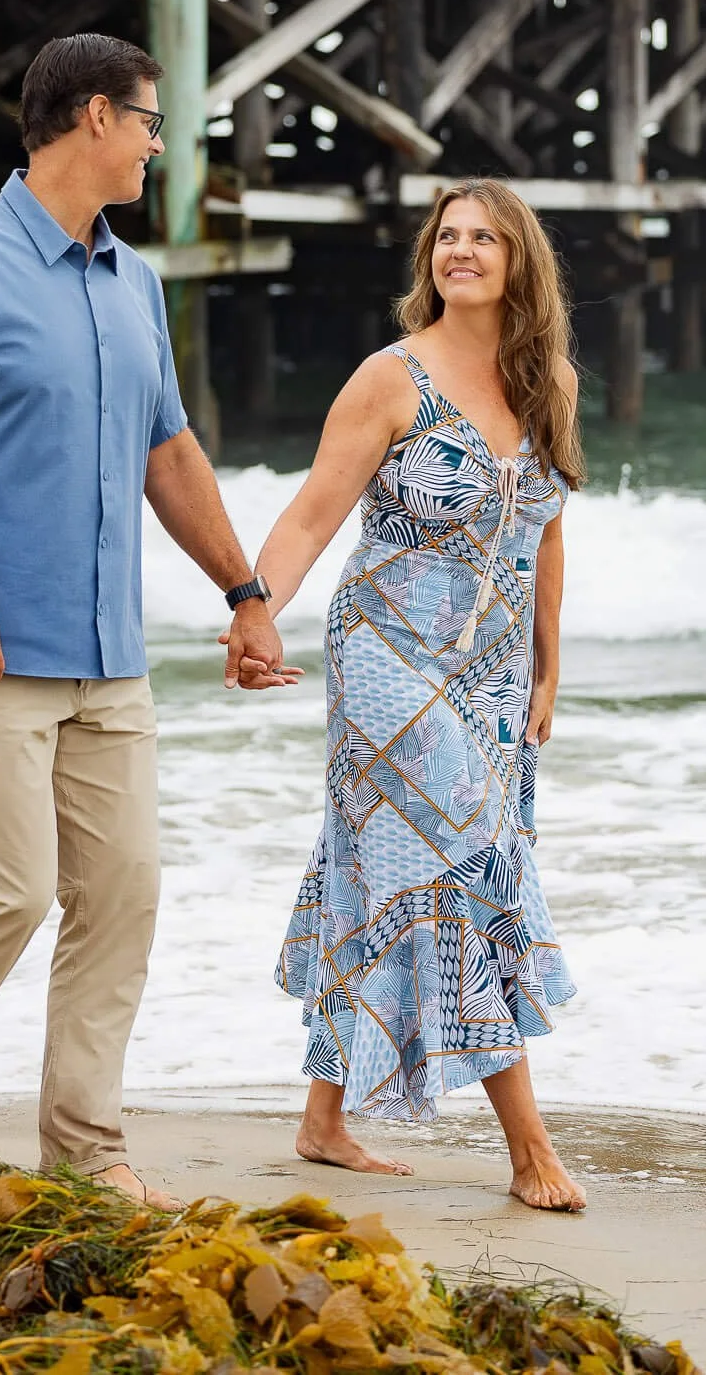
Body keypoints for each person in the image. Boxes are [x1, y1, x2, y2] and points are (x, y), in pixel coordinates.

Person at [0, 33, 287, 1209]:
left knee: (123, 893)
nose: (157, 143)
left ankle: (87, 1152)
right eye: (149, 121)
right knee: (5, 890)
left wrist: (242, 594)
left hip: (108, 655)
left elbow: (169, 452)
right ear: (94, 117)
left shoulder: (133, 282)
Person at [240, 178, 587, 1212]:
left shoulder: (549, 381)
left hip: (487, 673)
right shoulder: (390, 379)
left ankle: (322, 1117)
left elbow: (547, 528)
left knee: (382, 865)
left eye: (484, 237)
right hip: (386, 656)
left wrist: (546, 667)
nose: (462, 251)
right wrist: (256, 609)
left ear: (519, 259)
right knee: (465, 869)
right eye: (448, 237)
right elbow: (310, 515)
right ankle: (527, 1147)